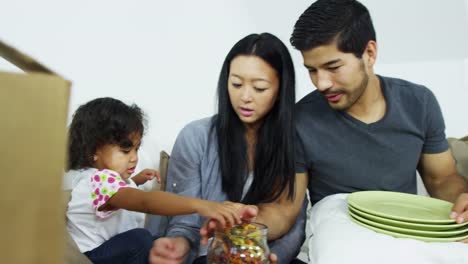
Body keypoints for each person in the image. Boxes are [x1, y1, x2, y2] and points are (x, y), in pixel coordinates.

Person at [289, 0, 468, 223]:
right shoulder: (299, 120)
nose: (322, 83)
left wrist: (462, 202)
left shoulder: (419, 103)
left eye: (333, 67)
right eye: (312, 70)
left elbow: (441, 179)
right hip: (342, 237)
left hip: (408, 231)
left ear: (370, 53)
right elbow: (287, 207)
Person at [149, 33, 308, 264]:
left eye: (259, 88)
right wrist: (178, 245)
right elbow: (184, 221)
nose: (245, 97)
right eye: (236, 84)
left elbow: (293, 221)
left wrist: (270, 257)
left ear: (280, 90)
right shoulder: (196, 137)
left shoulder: (295, 142)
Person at [65, 97, 244, 264]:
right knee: (141, 239)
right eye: (126, 150)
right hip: (92, 258)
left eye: (136, 149)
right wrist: (201, 205)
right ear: (92, 151)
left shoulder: (100, 182)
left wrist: (135, 180)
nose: (134, 158)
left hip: (111, 253)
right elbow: (144, 202)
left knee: (153, 243)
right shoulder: (99, 180)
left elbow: (114, 198)